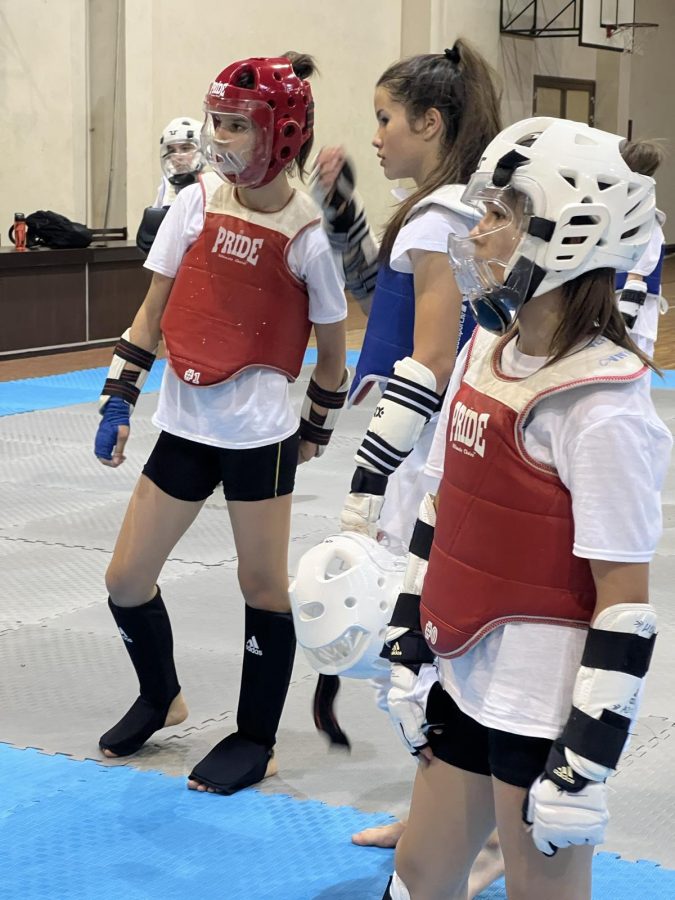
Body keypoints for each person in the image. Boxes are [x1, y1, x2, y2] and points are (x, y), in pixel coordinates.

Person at [380, 116, 671, 900]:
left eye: (500, 213)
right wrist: (410, 636)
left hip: (540, 706)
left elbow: (622, 602)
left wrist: (584, 759)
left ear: (569, 234)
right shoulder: (485, 349)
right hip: (462, 669)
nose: (477, 232)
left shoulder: (600, 408)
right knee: (418, 876)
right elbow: (445, 505)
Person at [94, 53, 349, 796]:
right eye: (218, 122)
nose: (219, 138)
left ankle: (256, 739)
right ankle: (161, 695)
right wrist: (120, 396)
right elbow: (153, 311)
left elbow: (333, 354)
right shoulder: (194, 202)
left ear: (280, 134)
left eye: (237, 125)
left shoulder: (307, 235)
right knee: (125, 579)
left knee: (262, 586)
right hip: (184, 421)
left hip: (258, 435)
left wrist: (314, 429)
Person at [307, 40, 506, 894]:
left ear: (430, 122)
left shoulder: (439, 217)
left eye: (385, 118)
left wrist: (369, 476)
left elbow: (428, 357)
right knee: (420, 650)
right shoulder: (451, 210)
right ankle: (444, 815)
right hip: (438, 450)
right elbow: (382, 302)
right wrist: (344, 215)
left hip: (427, 459)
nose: (376, 134)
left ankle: (474, 830)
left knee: (417, 648)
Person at [136, 117, 221, 253]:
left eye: (185, 148)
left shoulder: (215, 185)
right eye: (171, 150)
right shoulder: (166, 187)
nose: (177, 156)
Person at [616, 139, 668, 358]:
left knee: (635, 359)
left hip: (634, 307)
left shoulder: (646, 221)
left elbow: (636, 277)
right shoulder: (621, 213)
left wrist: (624, 321)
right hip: (612, 301)